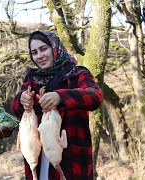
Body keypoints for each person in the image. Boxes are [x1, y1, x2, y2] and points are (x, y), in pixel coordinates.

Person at [11, 31, 103, 180]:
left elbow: (95, 96)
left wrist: (61, 96)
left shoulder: (77, 74)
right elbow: (15, 108)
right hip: (38, 158)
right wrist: (21, 99)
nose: (39, 55)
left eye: (43, 49)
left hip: (71, 159)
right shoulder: (32, 80)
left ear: (55, 48)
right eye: (34, 52)